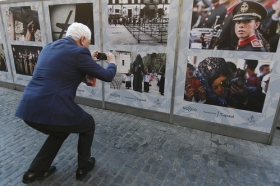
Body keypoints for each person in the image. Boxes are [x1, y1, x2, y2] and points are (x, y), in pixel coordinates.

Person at [14, 22, 116, 184]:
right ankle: (83, 166)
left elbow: (63, 69)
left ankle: (35, 171)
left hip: (28, 108)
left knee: (59, 131)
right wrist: (112, 62)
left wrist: (88, 60)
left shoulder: (49, 47)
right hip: (52, 108)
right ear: (82, 39)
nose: (87, 46)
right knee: (88, 124)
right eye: (88, 43)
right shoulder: (79, 53)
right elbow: (107, 76)